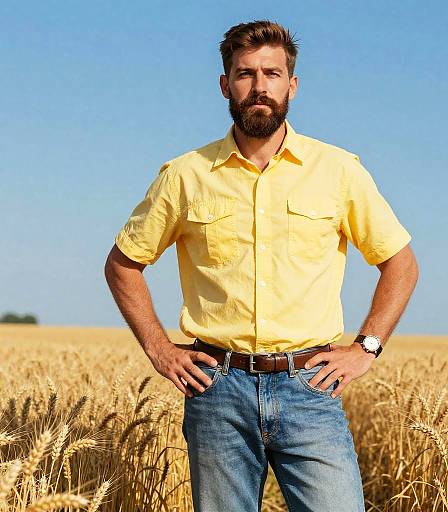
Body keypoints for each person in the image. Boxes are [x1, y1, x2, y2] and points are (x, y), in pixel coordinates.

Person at [104, 19, 419, 512]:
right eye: (245, 73)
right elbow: (123, 264)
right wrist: (161, 351)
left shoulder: (338, 170)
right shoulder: (185, 176)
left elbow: (400, 262)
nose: (259, 86)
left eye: (271, 74)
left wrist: (367, 348)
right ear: (225, 84)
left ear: (291, 85)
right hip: (217, 389)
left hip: (310, 386)